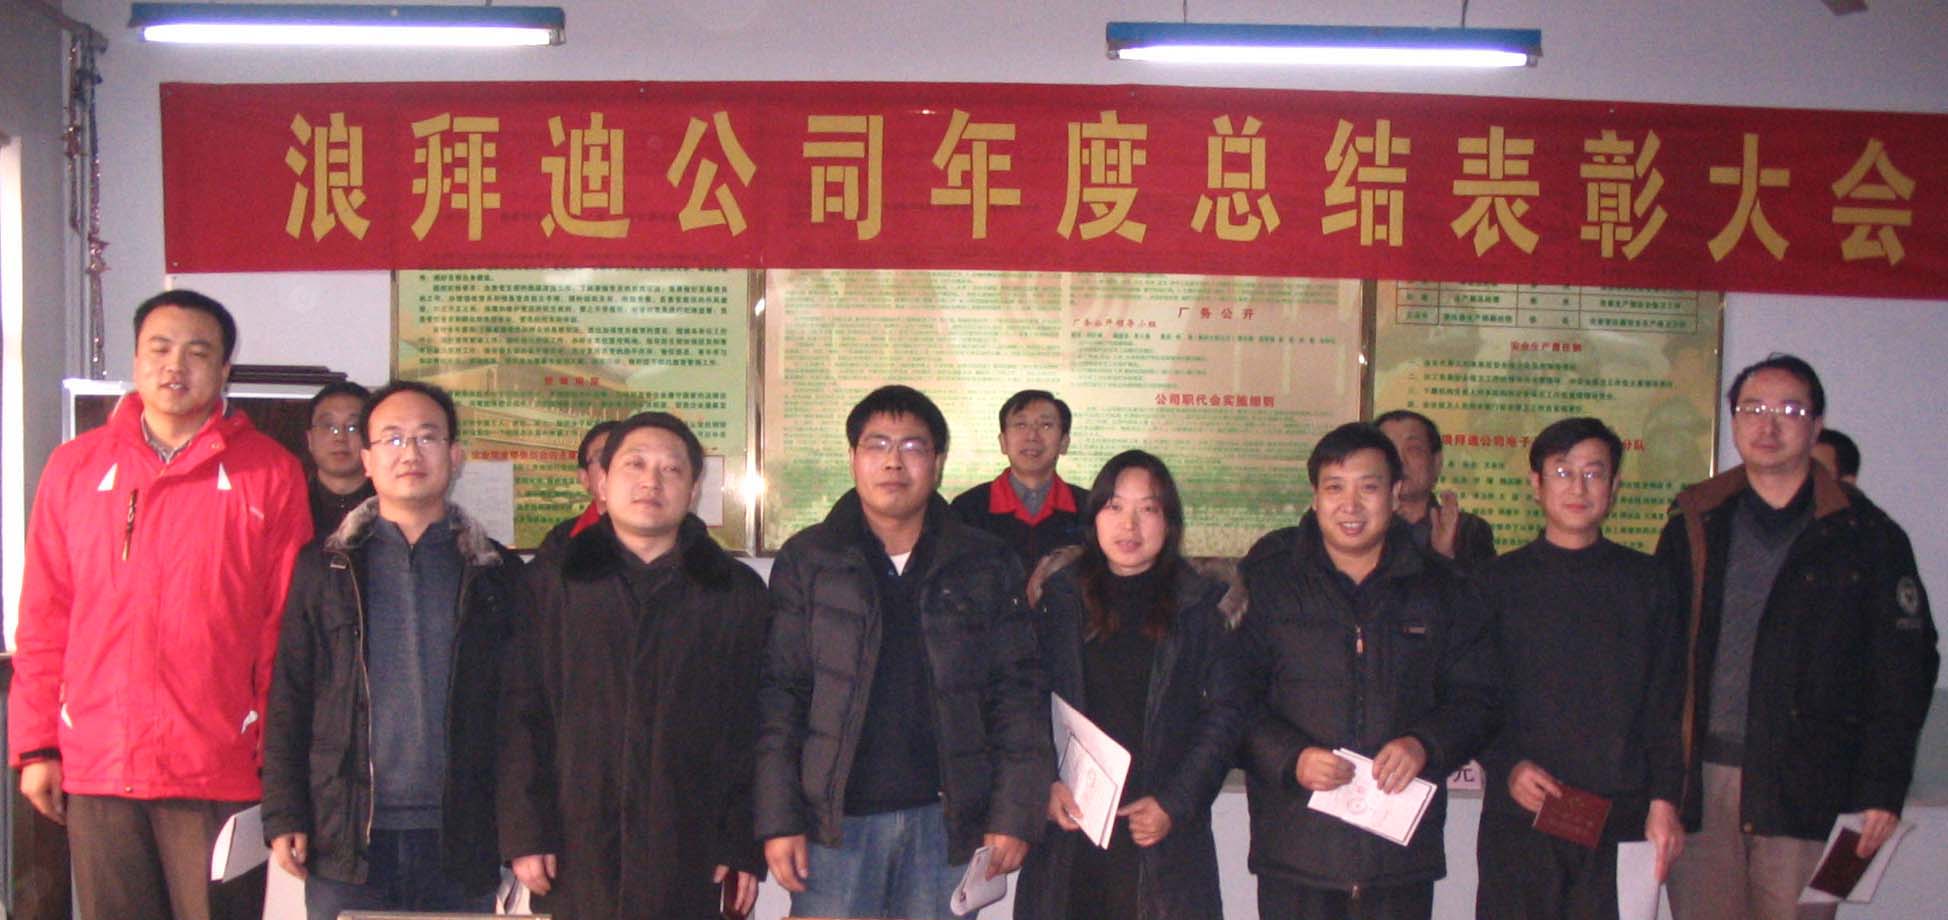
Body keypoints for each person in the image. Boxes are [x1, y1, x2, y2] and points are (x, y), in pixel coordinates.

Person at [10, 289, 310, 920]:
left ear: (225, 370)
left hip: (220, 766)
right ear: (136, 359)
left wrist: (276, 759)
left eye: (198, 352)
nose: (176, 365)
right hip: (99, 763)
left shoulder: (270, 473)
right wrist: (36, 746)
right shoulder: (74, 467)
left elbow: (284, 631)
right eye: (160, 348)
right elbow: (44, 616)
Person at [756, 385, 1051, 920]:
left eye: (913, 447)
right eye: (877, 445)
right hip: (834, 829)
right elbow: (780, 696)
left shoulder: (984, 561)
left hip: (946, 828)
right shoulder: (810, 559)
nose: (894, 461)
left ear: (937, 462)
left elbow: (1018, 695)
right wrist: (779, 820)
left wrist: (1013, 814)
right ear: (853, 458)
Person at [1660, 354, 1937, 920]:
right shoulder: (1695, 521)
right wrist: (1658, 784)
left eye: (1789, 410)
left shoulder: (1867, 535)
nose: (1768, 425)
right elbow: (1658, 658)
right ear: (1734, 421)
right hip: (1702, 785)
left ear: (1816, 425)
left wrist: (1882, 786)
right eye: (1752, 409)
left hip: (1808, 784)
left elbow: (1904, 671)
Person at [263, 380, 521, 920]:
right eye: (393, 438)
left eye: (427, 437)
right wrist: (284, 812)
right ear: (367, 459)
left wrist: (522, 828)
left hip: (462, 834)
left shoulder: (496, 573)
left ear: (454, 455)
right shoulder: (323, 568)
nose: (410, 453)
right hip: (347, 835)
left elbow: (521, 710)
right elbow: (290, 694)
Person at [499, 411, 768, 918]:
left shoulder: (733, 592)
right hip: (574, 842)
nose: (651, 481)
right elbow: (520, 712)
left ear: (694, 490)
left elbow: (753, 726)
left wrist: (740, 840)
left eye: (672, 469)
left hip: (690, 844)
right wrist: (525, 831)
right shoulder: (552, 583)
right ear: (602, 481)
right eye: (635, 464)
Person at [1235, 421, 1498, 920]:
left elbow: (1479, 699)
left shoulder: (1442, 590)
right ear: (1315, 498)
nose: (1350, 506)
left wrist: (1424, 744)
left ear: (1396, 494)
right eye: (1335, 488)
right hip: (1297, 851)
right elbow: (1232, 699)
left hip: (1397, 855)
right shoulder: (1270, 582)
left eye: (1368, 488)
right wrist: (1291, 757)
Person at [1014, 450, 1249, 920]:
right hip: (1072, 822)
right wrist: (1042, 784)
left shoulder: (1200, 607)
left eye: (1148, 509)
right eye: (1115, 506)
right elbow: (1023, 700)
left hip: (1160, 826)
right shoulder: (1058, 600)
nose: (1129, 525)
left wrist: (1174, 803)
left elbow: (1226, 716)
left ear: (1169, 522)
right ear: (1094, 518)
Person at [1475, 417, 1686, 920]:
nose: (1578, 487)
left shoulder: (1649, 583)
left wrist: (1664, 800)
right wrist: (1506, 764)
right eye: (1562, 472)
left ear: (1614, 486)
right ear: (1536, 484)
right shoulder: (1494, 582)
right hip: (1523, 811)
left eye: (1594, 473)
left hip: (1620, 813)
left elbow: (1666, 701)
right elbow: (1474, 696)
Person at [952, 389, 1087, 571]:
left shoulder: (1090, 508)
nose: (1032, 436)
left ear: (1064, 442)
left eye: (1046, 425)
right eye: (1021, 425)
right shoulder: (967, 509)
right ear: (1003, 442)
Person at [1374, 409, 1497, 567]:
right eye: (1389, 450)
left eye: (1413, 449)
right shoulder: (1362, 527)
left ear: (1437, 463)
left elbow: (1483, 582)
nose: (1400, 461)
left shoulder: (1468, 530)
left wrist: (1445, 557)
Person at [303, 380, 375, 540]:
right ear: (310, 440)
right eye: (329, 426)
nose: (340, 437)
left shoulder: (392, 507)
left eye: (353, 427)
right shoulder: (291, 504)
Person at [536, 419, 619, 556]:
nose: (615, 465)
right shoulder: (560, 542)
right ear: (585, 478)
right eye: (604, 457)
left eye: (631, 460)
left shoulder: (658, 532)